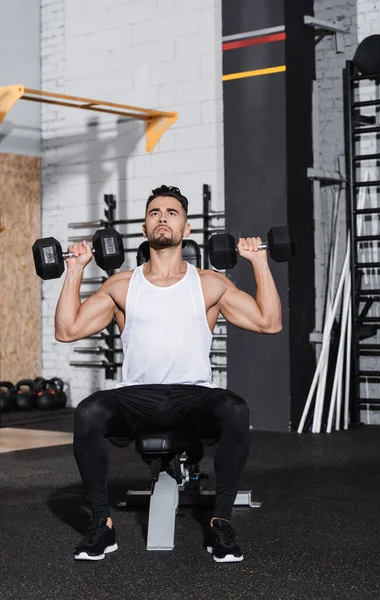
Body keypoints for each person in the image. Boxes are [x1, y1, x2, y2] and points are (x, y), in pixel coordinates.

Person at [55, 185, 282, 563]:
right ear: (144, 229)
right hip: (136, 397)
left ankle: (220, 522)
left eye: (171, 212)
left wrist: (259, 262)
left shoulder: (209, 283)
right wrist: (74, 270)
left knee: (235, 408)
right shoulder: (122, 285)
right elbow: (67, 330)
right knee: (88, 411)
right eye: (155, 212)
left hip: (192, 395)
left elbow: (269, 322)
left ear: (186, 228)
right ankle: (102, 526)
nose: (162, 217)